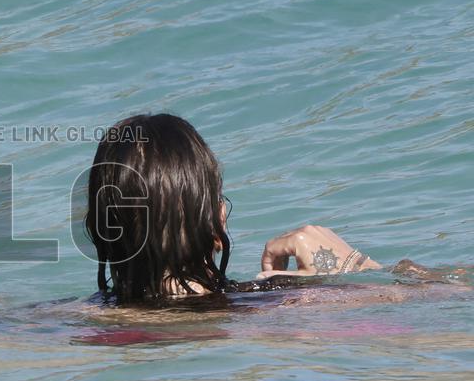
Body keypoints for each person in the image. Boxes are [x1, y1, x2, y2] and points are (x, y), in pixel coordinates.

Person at [84, 113, 380, 304]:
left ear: (102, 232)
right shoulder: (273, 305)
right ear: (215, 223)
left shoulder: (74, 319)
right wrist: (350, 267)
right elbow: (416, 308)